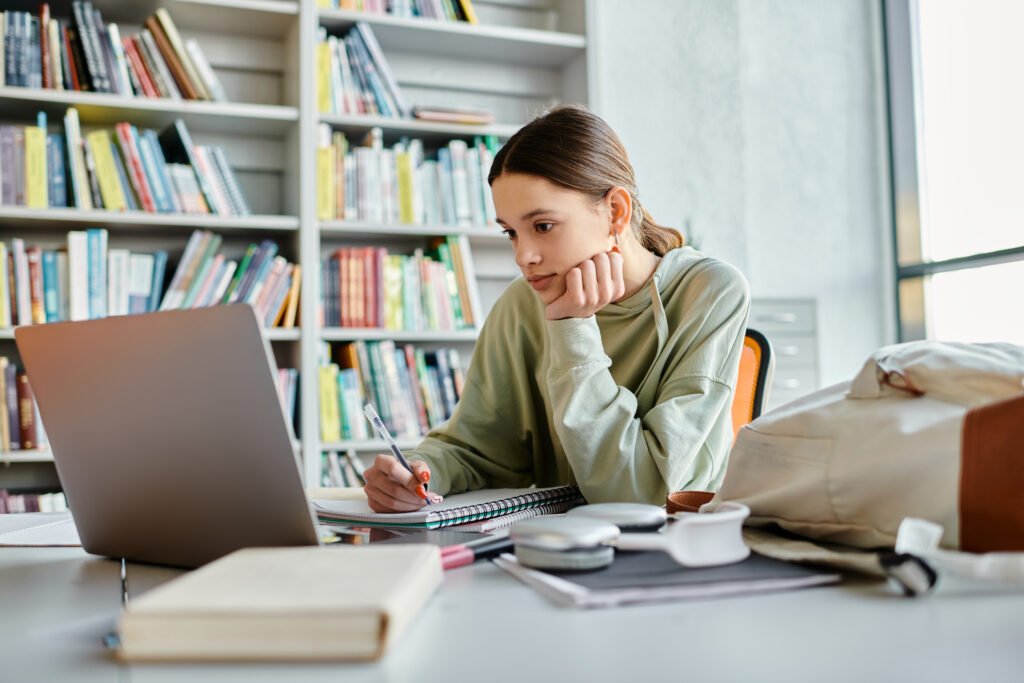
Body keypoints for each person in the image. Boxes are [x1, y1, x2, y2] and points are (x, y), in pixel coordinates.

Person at [363, 104, 750, 512]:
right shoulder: (522, 303)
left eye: (543, 226)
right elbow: (479, 448)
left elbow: (642, 494)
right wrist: (421, 473)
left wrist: (572, 327)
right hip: (550, 549)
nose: (523, 255)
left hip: (672, 551)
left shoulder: (710, 292)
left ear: (616, 211)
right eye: (511, 232)